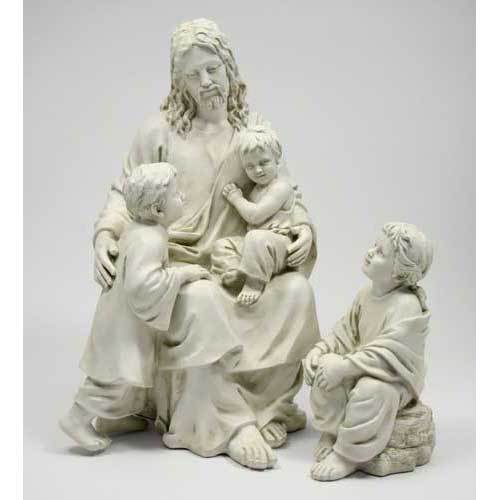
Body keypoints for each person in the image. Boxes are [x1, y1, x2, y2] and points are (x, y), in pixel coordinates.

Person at [92, 19, 320, 469]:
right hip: (177, 267)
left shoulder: (252, 131)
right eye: (193, 75)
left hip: (241, 266)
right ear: (179, 83)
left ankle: (267, 405)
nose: (207, 82)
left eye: (213, 69)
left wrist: (302, 228)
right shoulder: (158, 133)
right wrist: (104, 234)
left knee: (297, 292)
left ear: (229, 66)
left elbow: (285, 192)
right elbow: (124, 192)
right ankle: (227, 422)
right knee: (200, 299)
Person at [60, 163, 212, 452]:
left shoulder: (143, 230)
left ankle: (114, 419)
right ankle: (76, 420)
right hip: (123, 328)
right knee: (113, 379)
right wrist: (182, 275)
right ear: (157, 209)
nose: (183, 197)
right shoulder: (150, 239)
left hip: (123, 321)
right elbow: (143, 286)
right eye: (176, 194)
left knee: (129, 375)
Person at [304, 222, 433, 481]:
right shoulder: (365, 295)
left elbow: (388, 352)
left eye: (381, 252)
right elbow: (346, 332)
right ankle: (333, 431)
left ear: (399, 273)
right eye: (374, 245)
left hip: (393, 378)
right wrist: (321, 350)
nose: (371, 252)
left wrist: (345, 367)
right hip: (359, 365)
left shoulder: (405, 305)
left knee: (371, 390)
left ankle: (349, 454)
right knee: (326, 366)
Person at [221, 126, 296, 305]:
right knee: (223, 245)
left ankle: (254, 283)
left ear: (277, 158)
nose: (258, 170)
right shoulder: (257, 189)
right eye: (250, 166)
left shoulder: (281, 187)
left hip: (278, 246)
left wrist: (236, 198)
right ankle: (236, 272)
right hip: (256, 247)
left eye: (264, 162)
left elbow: (255, 216)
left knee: (256, 237)